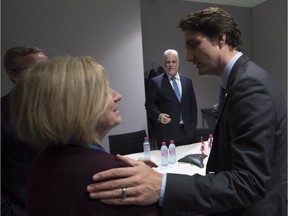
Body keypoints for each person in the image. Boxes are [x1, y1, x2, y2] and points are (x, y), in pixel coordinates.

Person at [86, 7, 287, 216]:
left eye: (193, 45)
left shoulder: (249, 86)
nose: (188, 56)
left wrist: (162, 185)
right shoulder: (238, 81)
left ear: (221, 38)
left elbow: (249, 183)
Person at [10, 55, 161, 216]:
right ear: (76, 105)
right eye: (104, 91)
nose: (117, 96)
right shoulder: (114, 179)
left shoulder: (44, 159)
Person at [1, 46, 48, 216]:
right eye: (35, 69)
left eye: (47, 67)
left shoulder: (61, 107)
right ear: (14, 75)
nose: (45, 74)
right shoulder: (2, 114)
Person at [145, 49, 197, 148]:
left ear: (178, 63)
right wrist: (158, 115)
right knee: (169, 163)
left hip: (186, 132)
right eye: (167, 62)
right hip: (166, 133)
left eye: (173, 62)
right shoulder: (156, 82)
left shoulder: (187, 81)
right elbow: (149, 104)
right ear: (164, 64)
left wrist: (192, 127)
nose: (170, 65)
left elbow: (193, 105)